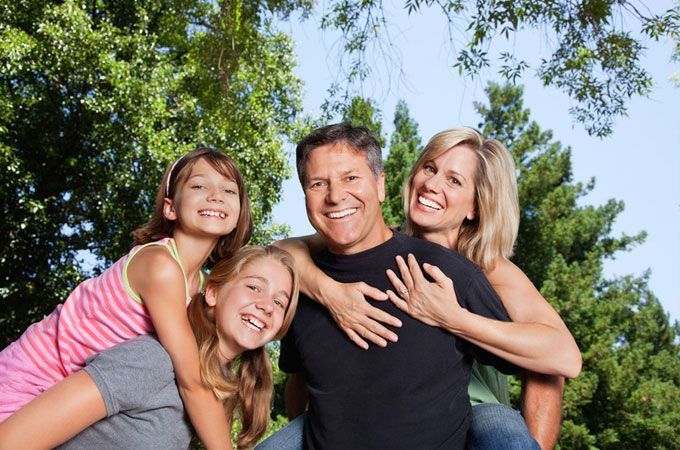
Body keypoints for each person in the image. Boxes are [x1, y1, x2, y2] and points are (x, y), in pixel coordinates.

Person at [267, 127, 581, 449]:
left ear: (474, 206)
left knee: (501, 426)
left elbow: (559, 362)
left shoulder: (488, 268)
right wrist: (330, 293)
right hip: (371, 410)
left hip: (473, 408)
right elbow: (283, 250)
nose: (432, 185)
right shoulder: (374, 238)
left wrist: (452, 317)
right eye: (429, 168)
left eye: (453, 180)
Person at [0, 147, 252, 448]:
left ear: (238, 213)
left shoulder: (201, 285)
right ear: (170, 208)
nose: (215, 195)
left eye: (228, 190)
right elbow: (192, 381)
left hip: (71, 395)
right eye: (199, 186)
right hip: (28, 378)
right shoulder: (160, 265)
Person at [0, 245, 300, 450]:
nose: (265, 306)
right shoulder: (153, 360)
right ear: (212, 293)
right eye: (254, 287)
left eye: (279, 302)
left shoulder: (216, 398)